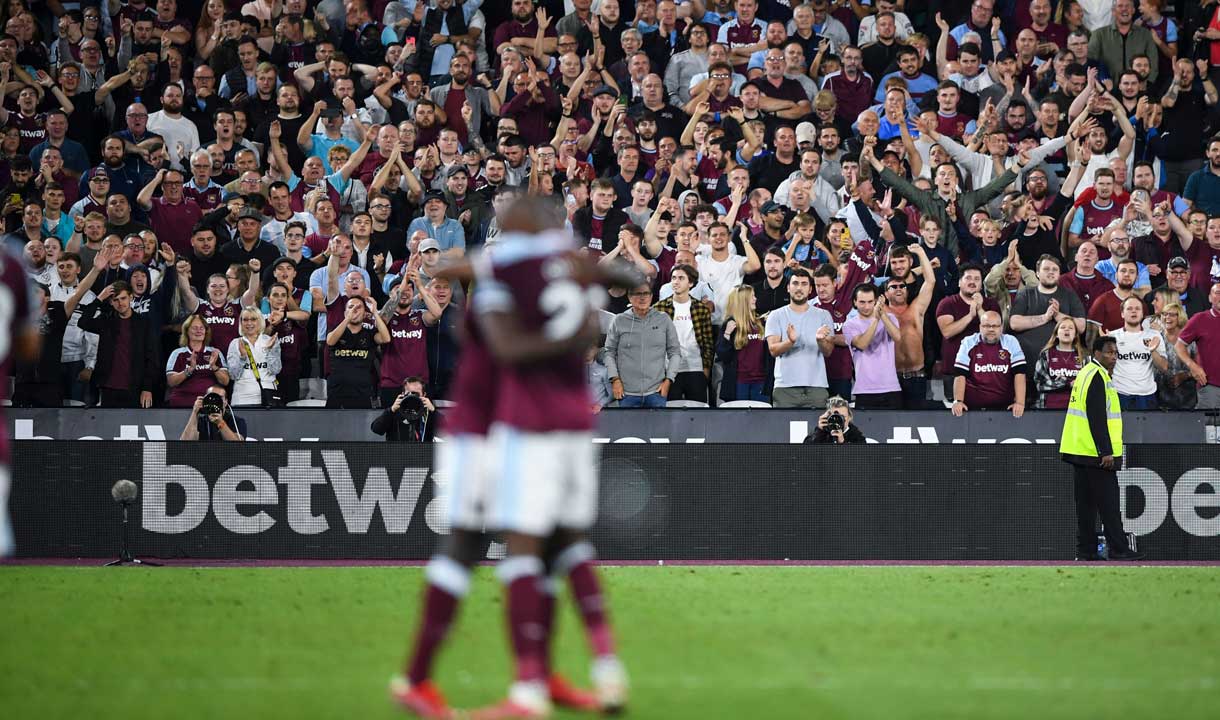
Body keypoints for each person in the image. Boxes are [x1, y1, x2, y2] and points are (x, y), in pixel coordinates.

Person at [1060, 335, 1144, 561]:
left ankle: (1085, 550)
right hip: (1095, 453)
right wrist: (1105, 451)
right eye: (1108, 352)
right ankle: (1118, 548)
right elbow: (1097, 417)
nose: (1113, 357)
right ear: (1096, 353)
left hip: (1080, 450)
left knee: (1086, 506)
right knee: (1108, 503)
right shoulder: (1097, 376)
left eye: (1116, 353)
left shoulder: (1085, 373)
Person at [765, 267, 835, 408]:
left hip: (817, 386)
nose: (799, 288)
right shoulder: (776, 315)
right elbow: (773, 350)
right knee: (783, 430)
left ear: (810, 290)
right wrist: (790, 342)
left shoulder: (824, 315)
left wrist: (821, 340)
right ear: (788, 288)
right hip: (785, 388)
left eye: (804, 284)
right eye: (795, 283)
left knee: (818, 429)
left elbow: (828, 352)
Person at [604, 283, 681, 407]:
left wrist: (669, 380)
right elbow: (609, 352)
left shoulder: (663, 319)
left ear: (651, 297)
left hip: (657, 392)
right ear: (629, 297)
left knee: (658, 427)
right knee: (629, 427)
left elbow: (675, 352)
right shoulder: (619, 320)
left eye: (646, 293)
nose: (642, 297)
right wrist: (614, 379)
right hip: (626, 393)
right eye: (637, 294)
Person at [650, 263, 713, 403]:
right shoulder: (659, 308)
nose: (675, 281)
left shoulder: (701, 309)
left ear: (690, 283)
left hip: (695, 368)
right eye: (673, 278)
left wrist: (706, 370)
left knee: (697, 413)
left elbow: (708, 342)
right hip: (668, 370)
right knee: (670, 413)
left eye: (680, 278)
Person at [952, 310, 1028, 417]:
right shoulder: (968, 342)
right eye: (987, 326)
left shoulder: (1011, 341)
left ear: (1001, 327)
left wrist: (1020, 403)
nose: (991, 329)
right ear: (980, 327)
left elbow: (1019, 373)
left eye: (995, 326)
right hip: (973, 409)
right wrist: (958, 401)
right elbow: (960, 374)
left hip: (1005, 409)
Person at [842, 283, 901, 409]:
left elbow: (897, 337)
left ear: (876, 301)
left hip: (890, 387)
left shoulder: (890, 318)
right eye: (862, 302)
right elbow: (862, 344)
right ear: (855, 302)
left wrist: (882, 314)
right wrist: (876, 319)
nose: (867, 306)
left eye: (870, 302)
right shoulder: (849, 325)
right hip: (864, 390)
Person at [326, 295, 392, 408]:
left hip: (362, 393)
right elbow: (330, 341)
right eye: (351, 307)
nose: (354, 310)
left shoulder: (370, 333)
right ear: (345, 312)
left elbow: (386, 338)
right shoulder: (337, 330)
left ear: (365, 313)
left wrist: (375, 312)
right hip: (337, 392)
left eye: (359, 307)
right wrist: (347, 318)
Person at [1108, 296, 1166, 410]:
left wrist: (1153, 350)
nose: (1134, 311)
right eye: (1129, 308)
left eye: (1137, 308)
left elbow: (1164, 367)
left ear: (1142, 313)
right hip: (1119, 393)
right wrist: (1104, 347)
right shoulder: (1112, 336)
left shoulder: (1154, 335)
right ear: (1122, 314)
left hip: (1147, 395)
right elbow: (1104, 369)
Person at [716, 285, 771, 403]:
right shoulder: (730, 324)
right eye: (752, 296)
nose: (755, 299)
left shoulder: (761, 323)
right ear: (743, 301)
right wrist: (727, 334)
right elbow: (723, 356)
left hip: (761, 382)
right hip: (738, 383)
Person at [165, 314, 231, 408]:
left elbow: (225, 381)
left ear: (206, 331)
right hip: (182, 402)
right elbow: (171, 382)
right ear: (187, 331)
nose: (198, 331)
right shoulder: (177, 353)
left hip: (209, 404)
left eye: (201, 328)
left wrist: (214, 367)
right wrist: (189, 370)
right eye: (194, 328)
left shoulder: (215, 352)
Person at [226, 306, 282, 407]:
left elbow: (275, 370)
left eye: (253, 319)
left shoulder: (270, 340)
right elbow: (233, 375)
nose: (249, 323)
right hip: (242, 398)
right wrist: (242, 357)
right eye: (245, 320)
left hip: (267, 396)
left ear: (260, 321)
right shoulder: (235, 343)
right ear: (241, 322)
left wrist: (270, 350)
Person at [1175, 283, 1220, 409]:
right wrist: (1192, 365)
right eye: (1218, 293)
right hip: (1210, 386)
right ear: (1210, 298)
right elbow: (1179, 346)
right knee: (1209, 427)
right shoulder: (1200, 319)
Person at [1034, 318, 1087, 409]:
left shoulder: (1083, 357)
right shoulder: (1046, 355)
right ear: (1056, 334)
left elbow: (1087, 385)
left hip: (1076, 409)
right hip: (1049, 408)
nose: (1067, 329)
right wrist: (1067, 384)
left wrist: (1058, 382)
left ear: (1075, 335)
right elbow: (1041, 384)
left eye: (1071, 328)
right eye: (1063, 327)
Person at [370, 376, 438, 442]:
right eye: (409, 393)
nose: (412, 396)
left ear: (424, 395)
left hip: (423, 452)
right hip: (397, 452)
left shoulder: (428, 413)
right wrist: (391, 410)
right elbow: (376, 429)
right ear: (403, 394)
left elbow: (445, 432)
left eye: (416, 394)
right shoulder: (394, 412)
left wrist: (433, 410)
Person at [178, 384, 246, 441]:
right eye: (211, 397)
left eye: (219, 398)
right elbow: (185, 443)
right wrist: (195, 412)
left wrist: (220, 423)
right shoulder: (200, 421)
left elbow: (238, 445)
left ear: (226, 402)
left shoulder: (236, 421)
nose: (215, 401)